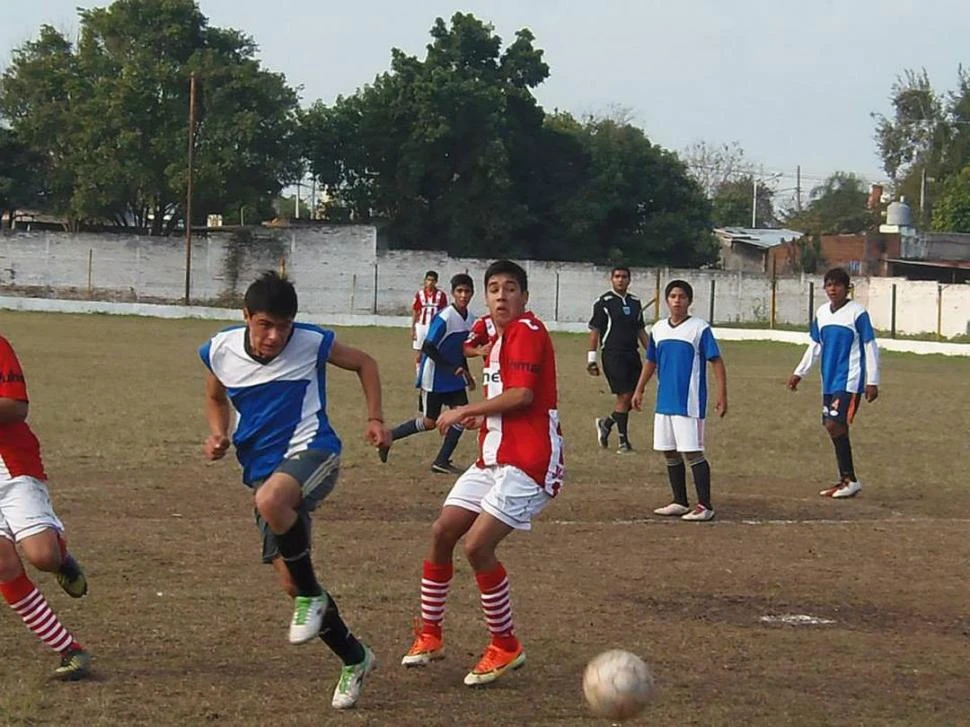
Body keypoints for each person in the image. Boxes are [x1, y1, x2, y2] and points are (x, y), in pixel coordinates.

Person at [199, 271, 388, 710]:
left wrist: (375, 418)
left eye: (283, 326)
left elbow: (366, 363)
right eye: (264, 324)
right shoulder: (219, 350)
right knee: (289, 578)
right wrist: (217, 433)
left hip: (314, 451)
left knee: (270, 503)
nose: (274, 336)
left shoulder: (311, 342)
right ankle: (355, 658)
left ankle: (310, 597)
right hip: (262, 469)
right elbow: (214, 397)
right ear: (246, 317)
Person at [400, 260, 564, 687]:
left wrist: (464, 409)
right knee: (442, 532)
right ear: (485, 298)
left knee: (476, 546)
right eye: (493, 289)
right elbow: (505, 406)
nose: (501, 296)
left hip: (528, 462)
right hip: (492, 458)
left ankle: (505, 645)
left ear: (524, 298)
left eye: (511, 288)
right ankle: (431, 634)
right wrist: (480, 420)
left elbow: (523, 396)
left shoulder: (527, 331)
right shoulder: (496, 340)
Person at [0, 334, 91, 680]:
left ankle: (61, 559)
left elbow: (16, 405)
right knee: (3, 564)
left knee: (42, 556)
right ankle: (70, 650)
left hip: (11, 463)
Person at [632, 280, 727, 522]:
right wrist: (639, 389)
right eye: (673, 296)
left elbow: (716, 361)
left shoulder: (699, 329)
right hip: (665, 401)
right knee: (668, 451)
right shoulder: (659, 329)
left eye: (682, 296)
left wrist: (722, 394)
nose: (677, 300)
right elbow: (651, 361)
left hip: (689, 402)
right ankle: (680, 501)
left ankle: (705, 505)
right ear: (666, 300)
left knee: (692, 452)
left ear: (689, 301)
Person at [787, 267, 879, 498]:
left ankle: (849, 479)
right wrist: (799, 373)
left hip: (849, 379)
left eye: (837, 285)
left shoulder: (857, 313)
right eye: (829, 285)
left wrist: (872, 380)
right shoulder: (822, 313)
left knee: (833, 424)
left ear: (846, 288)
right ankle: (847, 479)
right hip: (828, 380)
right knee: (833, 425)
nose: (832, 289)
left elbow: (870, 345)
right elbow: (815, 345)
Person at [381, 274, 476, 473]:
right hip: (434, 378)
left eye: (467, 291)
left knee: (463, 416)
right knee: (429, 422)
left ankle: (441, 461)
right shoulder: (444, 317)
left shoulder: (470, 319)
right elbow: (428, 347)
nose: (463, 295)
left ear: (472, 293)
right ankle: (389, 437)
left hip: (454, 379)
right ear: (452, 293)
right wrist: (451, 368)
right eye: (459, 291)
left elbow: (460, 350)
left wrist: (465, 372)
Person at [587, 267, 649, 454]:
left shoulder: (635, 302)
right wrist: (591, 359)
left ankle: (606, 424)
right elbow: (595, 331)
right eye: (617, 277)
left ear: (629, 280)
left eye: (624, 277)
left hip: (632, 353)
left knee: (633, 396)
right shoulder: (603, 303)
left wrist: (654, 354)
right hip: (613, 354)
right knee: (624, 395)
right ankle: (623, 442)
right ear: (611, 279)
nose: (620, 280)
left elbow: (640, 330)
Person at [412, 271, 448, 370]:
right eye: (428, 280)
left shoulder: (441, 295)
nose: (430, 282)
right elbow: (415, 311)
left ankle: (430, 372)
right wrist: (413, 329)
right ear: (425, 281)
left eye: (432, 280)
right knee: (419, 351)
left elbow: (443, 312)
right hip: (421, 326)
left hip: (433, 327)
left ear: (436, 282)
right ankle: (419, 372)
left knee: (433, 351)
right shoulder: (419, 294)